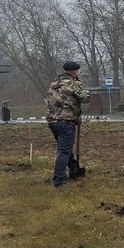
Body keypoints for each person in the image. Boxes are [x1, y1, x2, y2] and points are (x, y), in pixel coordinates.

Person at [45, 60, 90, 189]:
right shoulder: (74, 83)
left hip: (52, 121)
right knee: (63, 152)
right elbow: (85, 98)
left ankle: (74, 169)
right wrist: (80, 85)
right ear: (75, 72)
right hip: (67, 121)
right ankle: (58, 181)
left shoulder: (54, 83)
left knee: (65, 148)